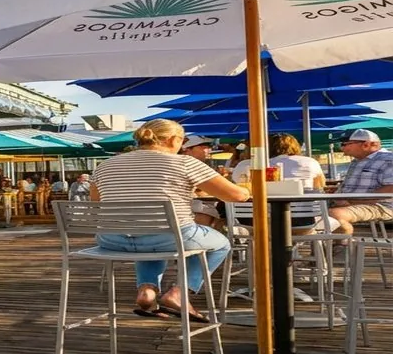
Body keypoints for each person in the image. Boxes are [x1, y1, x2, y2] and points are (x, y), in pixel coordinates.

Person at [91, 119, 250, 322]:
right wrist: (248, 188)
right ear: (174, 139)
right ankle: (179, 293)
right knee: (220, 243)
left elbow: (97, 203)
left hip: (111, 239)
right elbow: (235, 196)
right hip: (168, 236)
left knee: (152, 235)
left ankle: (147, 290)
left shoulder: (105, 165)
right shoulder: (184, 162)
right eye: (182, 141)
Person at [329, 128, 393, 234]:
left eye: (345, 144)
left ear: (366, 145)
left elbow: (390, 189)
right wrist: (337, 192)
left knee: (335, 215)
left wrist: (351, 202)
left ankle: (342, 245)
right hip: (350, 203)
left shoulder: (388, 159)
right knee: (308, 213)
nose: (341, 147)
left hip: (380, 206)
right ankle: (318, 249)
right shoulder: (356, 161)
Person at [230, 133, 326, 191]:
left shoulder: (246, 164)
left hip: (252, 218)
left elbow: (235, 186)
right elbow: (319, 187)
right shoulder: (310, 162)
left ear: (265, 147)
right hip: (306, 216)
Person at [179, 135, 221, 227]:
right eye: (203, 147)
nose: (207, 150)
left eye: (208, 147)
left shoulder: (191, 163)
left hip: (180, 209)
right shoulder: (188, 163)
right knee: (207, 211)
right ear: (187, 149)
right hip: (185, 210)